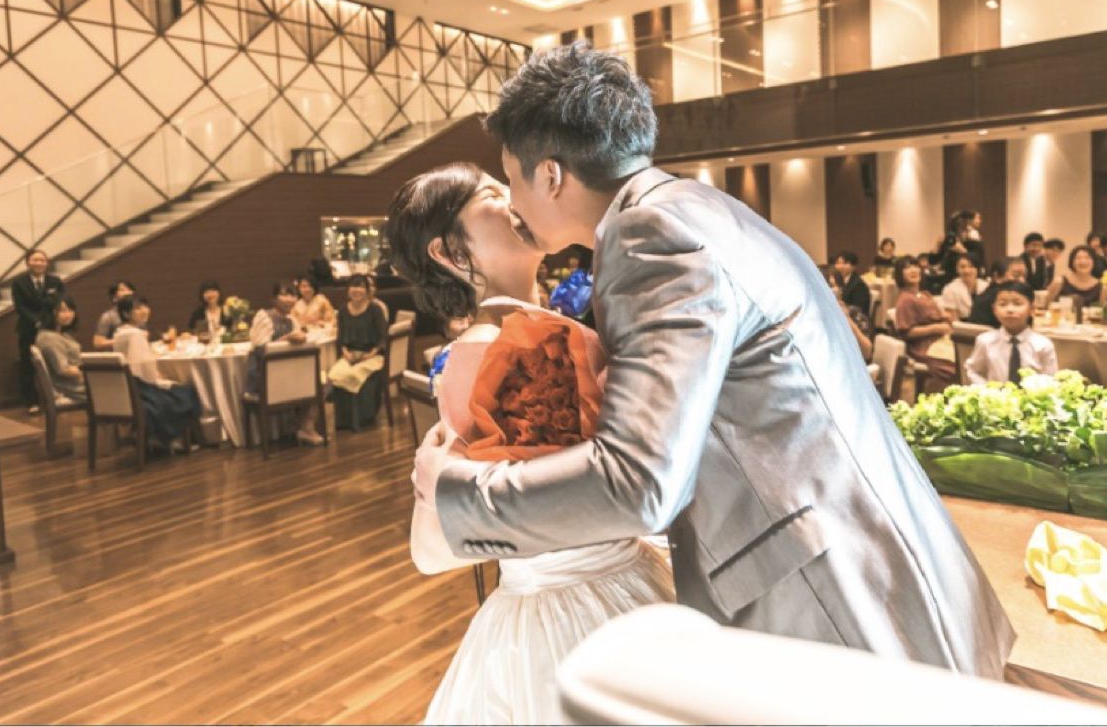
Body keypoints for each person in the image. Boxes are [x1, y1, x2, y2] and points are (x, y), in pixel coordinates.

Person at [412, 42, 1013, 684]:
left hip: (837, 602)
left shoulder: (649, 237)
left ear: (551, 176)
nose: (512, 202)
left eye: (511, 178)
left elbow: (639, 482)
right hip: (875, 565)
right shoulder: (697, 207)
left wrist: (453, 489)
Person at [387, 162, 674, 723]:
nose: (514, 198)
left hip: (600, 578)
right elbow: (451, 540)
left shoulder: (533, 330)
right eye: (491, 194)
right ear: (450, 251)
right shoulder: (492, 349)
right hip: (580, 606)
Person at [112, 296, 201, 450]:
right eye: (138, 308)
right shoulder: (136, 334)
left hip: (126, 391)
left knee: (175, 388)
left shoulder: (119, 333)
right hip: (140, 392)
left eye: (145, 306)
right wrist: (162, 380)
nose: (144, 311)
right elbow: (145, 372)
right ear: (126, 314)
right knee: (188, 391)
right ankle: (173, 439)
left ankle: (159, 437)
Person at [246, 281, 325, 446]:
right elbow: (261, 350)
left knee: (321, 383)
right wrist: (286, 339)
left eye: (292, 295)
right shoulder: (264, 316)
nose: (289, 299)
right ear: (274, 298)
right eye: (284, 294)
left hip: (286, 373)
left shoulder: (292, 320)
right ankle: (300, 427)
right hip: (263, 376)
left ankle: (306, 427)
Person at [964, 282, 1058, 385]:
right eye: (1002, 304)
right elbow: (973, 370)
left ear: (1031, 309)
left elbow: (1051, 378)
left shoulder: (1043, 345)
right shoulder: (985, 341)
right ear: (994, 310)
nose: (1010, 310)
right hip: (996, 393)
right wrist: (985, 388)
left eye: (1017, 304)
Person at [329, 274, 388, 430]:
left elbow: (382, 338)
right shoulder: (343, 310)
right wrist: (345, 352)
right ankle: (343, 420)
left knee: (354, 374)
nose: (356, 290)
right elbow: (341, 337)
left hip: (372, 356)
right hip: (350, 356)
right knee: (335, 374)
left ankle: (362, 418)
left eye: (361, 286)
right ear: (348, 290)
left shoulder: (375, 310)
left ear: (367, 290)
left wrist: (370, 354)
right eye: (353, 286)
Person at [893, 256, 958, 392]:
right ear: (900, 274)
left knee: (965, 356)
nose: (913, 270)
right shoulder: (905, 299)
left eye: (915, 266)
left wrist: (945, 316)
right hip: (923, 346)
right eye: (907, 268)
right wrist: (936, 328)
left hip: (942, 339)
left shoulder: (924, 294)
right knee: (956, 366)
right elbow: (906, 332)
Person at [12, 249, 65, 414]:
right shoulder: (19, 282)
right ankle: (31, 402)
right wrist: (37, 321)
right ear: (28, 262)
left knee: (54, 362)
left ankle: (57, 398)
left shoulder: (55, 281)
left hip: (51, 329)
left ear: (47, 263)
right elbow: (20, 307)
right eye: (35, 260)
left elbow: (58, 302)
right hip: (28, 328)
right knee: (28, 365)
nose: (39, 263)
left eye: (42, 260)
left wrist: (46, 321)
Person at [34, 295, 86, 404]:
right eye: (63, 311)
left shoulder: (60, 334)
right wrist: (90, 372)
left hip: (76, 383)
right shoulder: (49, 338)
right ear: (51, 313)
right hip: (71, 388)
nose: (69, 314)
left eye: (71, 310)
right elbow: (63, 370)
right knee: (116, 385)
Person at [967, 257, 1028, 327]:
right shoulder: (990, 300)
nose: (1022, 280)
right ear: (997, 277)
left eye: (1024, 276)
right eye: (1016, 275)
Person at [828, 274, 872, 362]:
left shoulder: (854, 314)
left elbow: (867, 352)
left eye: (832, 286)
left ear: (841, 290)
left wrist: (846, 319)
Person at [939, 253, 988, 320]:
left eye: (971, 266)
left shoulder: (987, 286)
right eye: (962, 267)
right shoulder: (950, 289)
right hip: (962, 325)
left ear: (977, 269)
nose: (967, 271)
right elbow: (952, 319)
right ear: (957, 269)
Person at [94, 280, 135, 350]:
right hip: (116, 355)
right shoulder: (108, 316)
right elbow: (98, 343)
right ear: (114, 297)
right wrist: (123, 340)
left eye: (129, 290)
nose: (128, 293)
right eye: (122, 290)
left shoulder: (136, 314)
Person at [829, 250, 871, 316]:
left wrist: (843, 305)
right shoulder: (839, 279)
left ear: (853, 266)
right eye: (838, 263)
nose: (841, 266)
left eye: (845, 263)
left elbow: (859, 308)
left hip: (856, 318)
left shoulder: (859, 285)